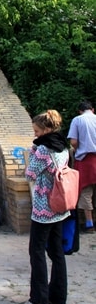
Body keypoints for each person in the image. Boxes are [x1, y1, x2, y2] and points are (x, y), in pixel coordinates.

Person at [18, 109, 71, 304]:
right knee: (56, 251)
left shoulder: (43, 149)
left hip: (43, 207)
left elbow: (30, 174)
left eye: (37, 131)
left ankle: (39, 300)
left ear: (46, 129)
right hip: (59, 205)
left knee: (36, 250)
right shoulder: (62, 146)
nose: (35, 135)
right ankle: (58, 295)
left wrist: (33, 150)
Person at [68, 99, 96, 234]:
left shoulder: (77, 120)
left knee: (86, 192)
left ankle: (89, 223)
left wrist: (76, 149)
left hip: (85, 160)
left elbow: (74, 142)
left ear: (80, 111)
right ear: (92, 109)